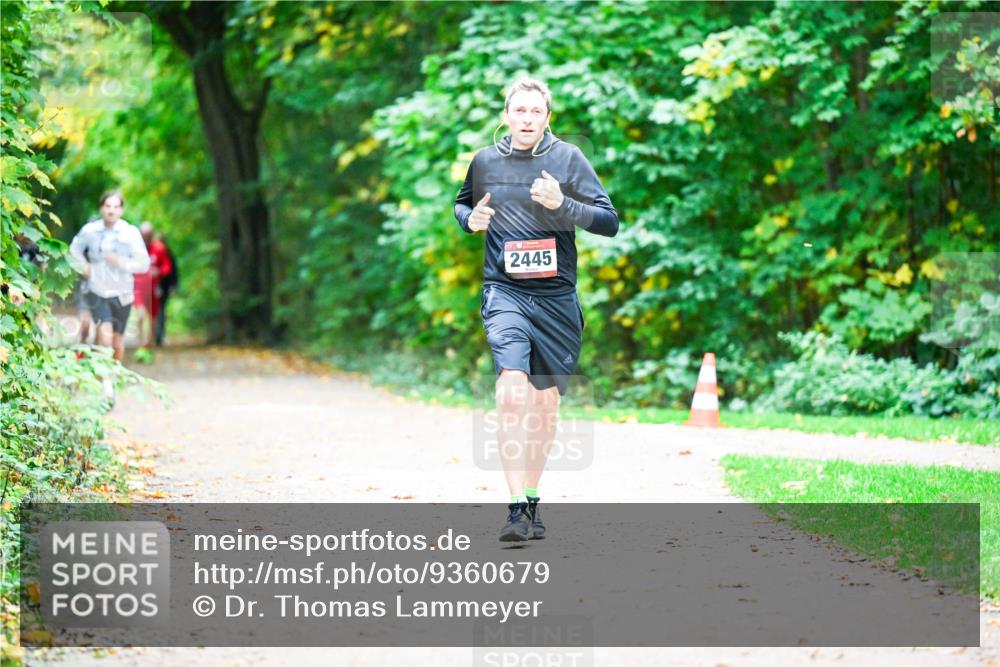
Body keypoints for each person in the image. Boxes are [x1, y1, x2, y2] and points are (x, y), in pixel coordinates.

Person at [454, 78, 619, 542]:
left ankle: (530, 497)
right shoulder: (485, 161)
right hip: (504, 292)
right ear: (506, 115)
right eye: (519, 111)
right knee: (510, 390)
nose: (527, 119)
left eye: (535, 112)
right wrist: (470, 221)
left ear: (548, 118)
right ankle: (512, 511)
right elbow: (462, 205)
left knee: (545, 405)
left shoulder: (568, 159)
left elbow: (609, 221)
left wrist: (563, 204)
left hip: (557, 300)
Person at [70, 190, 150, 402]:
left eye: (115, 207)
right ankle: (105, 385)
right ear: (101, 208)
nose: (111, 210)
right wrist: (83, 266)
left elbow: (144, 264)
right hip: (98, 290)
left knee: (117, 341)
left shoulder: (130, 233)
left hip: (123, 292)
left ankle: (111, 376)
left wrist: (121, 262)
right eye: (107, 206)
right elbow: (73, 250)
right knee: (103, 333)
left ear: (121, 210)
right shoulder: (90, 231)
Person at [132, 222, 172, 354]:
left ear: (152, 235)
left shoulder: (159, 248)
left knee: (153, 317)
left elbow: (167, 266)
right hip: (138, 287)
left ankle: (151, 342)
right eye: (144, 236)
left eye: (148, 236)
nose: (146, 239)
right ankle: (139, 341)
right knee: (140, 313)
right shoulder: (134, 249)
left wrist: (159, 271)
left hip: (153, 288)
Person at [154, 232, 177, 347]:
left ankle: (159, 335)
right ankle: (153, 335)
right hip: (152, 288)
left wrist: (173, 286)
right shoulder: (151, 252)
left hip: (164, 287)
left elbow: (173, 272)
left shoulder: (168, 254)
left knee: (161, 311)